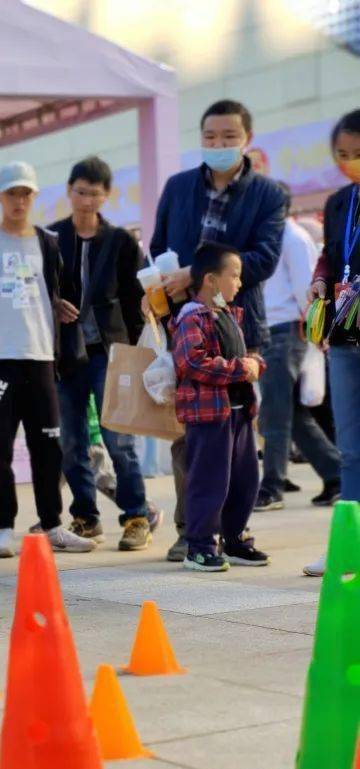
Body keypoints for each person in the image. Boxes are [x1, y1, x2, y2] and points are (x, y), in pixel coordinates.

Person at [149, 99, 287, 562]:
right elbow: (158, 247)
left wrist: (198, 272)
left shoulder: (269, 194)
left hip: (240, 326)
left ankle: (232, 531)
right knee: (193, 437)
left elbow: (264, 259)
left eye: (229, 137)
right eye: (210, 137)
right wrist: (163, 280)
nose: (219, 145)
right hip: (187, 326)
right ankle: (193, 533)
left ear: (246, 138)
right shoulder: (179, 186)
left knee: (242, 442)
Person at [0, 161, 91, 558]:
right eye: (12, 193)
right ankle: (4, 527)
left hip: (41, 357)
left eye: (26, 193)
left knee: (49, 449)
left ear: (34, 196)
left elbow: (60, 289)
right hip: (0, 362)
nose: (19, 200)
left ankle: (52, 525)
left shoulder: (48, 241)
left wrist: (59, 305)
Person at [49, 156, 156, 550]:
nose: (87, 200)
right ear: (69, 191)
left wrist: (133, 348)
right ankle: (86, 517)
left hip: (109, 353)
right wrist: (55, 303)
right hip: (65, 354)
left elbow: (135, 298)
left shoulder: (121, 240)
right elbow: (42, 290)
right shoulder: (52, 238)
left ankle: (137, 516)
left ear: (106, 195)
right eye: (80, 192)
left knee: (118, 438)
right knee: (73, 440)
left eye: (95, 194)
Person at [172, 242, 268, 572]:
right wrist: (242, 368)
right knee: (210, 481)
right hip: (210, 415)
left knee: (245, 480)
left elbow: (242, 355)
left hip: (238, 412)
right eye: (235, 275)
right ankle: (199, 546)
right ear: (211, 279)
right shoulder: (192, 318)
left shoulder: (227, 314)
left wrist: (254, 363)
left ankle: (235, 540)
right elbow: (192, 362)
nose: (239, 283)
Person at [255, 181, 341, 512]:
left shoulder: (293, 238)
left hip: (287, 330)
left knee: (275, 412)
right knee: (291, 411)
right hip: (271, 331)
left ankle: (272, 486)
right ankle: (336, 475)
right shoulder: (270, 237)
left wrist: (314, 334)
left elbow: (310, 290)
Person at [304, 108, 360, 577]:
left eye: (358, 154)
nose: (350, 163)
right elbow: (329, 255)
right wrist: (321, 282)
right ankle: (348, 544)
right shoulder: (340, 201)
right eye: (342, 155)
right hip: (343, 335)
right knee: (350, 447)